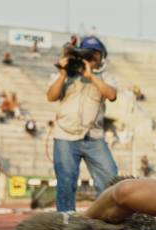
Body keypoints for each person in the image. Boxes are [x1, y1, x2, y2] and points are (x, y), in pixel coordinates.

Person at [46, 36, 118, 212]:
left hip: (94, 137)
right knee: (66, 182)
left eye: (96, 54)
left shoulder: (106, 76)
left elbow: (111, 95)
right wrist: (63, 74)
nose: (92, 58)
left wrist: (91, 76)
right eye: (88, 54)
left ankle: (106, 219)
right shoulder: (65, 74)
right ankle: (66, 222)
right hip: (65, 136)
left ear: (102, 57)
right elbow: (51, 96)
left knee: (110, 177)